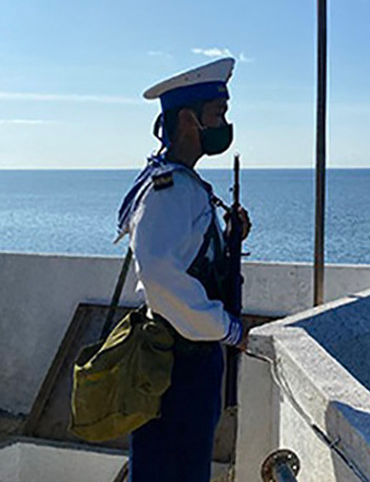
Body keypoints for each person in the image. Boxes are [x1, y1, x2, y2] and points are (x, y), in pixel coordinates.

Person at [116, 57, 250, 482]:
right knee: (172, 469)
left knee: (182, 466)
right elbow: (159, 274)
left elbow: (189, 259)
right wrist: (227, 328)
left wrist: (229, 239)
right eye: (218, 113)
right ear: (189, 119)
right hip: (179, 360)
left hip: (188, 354)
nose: (224, 123)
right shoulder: (170, 189)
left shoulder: (180, 183)